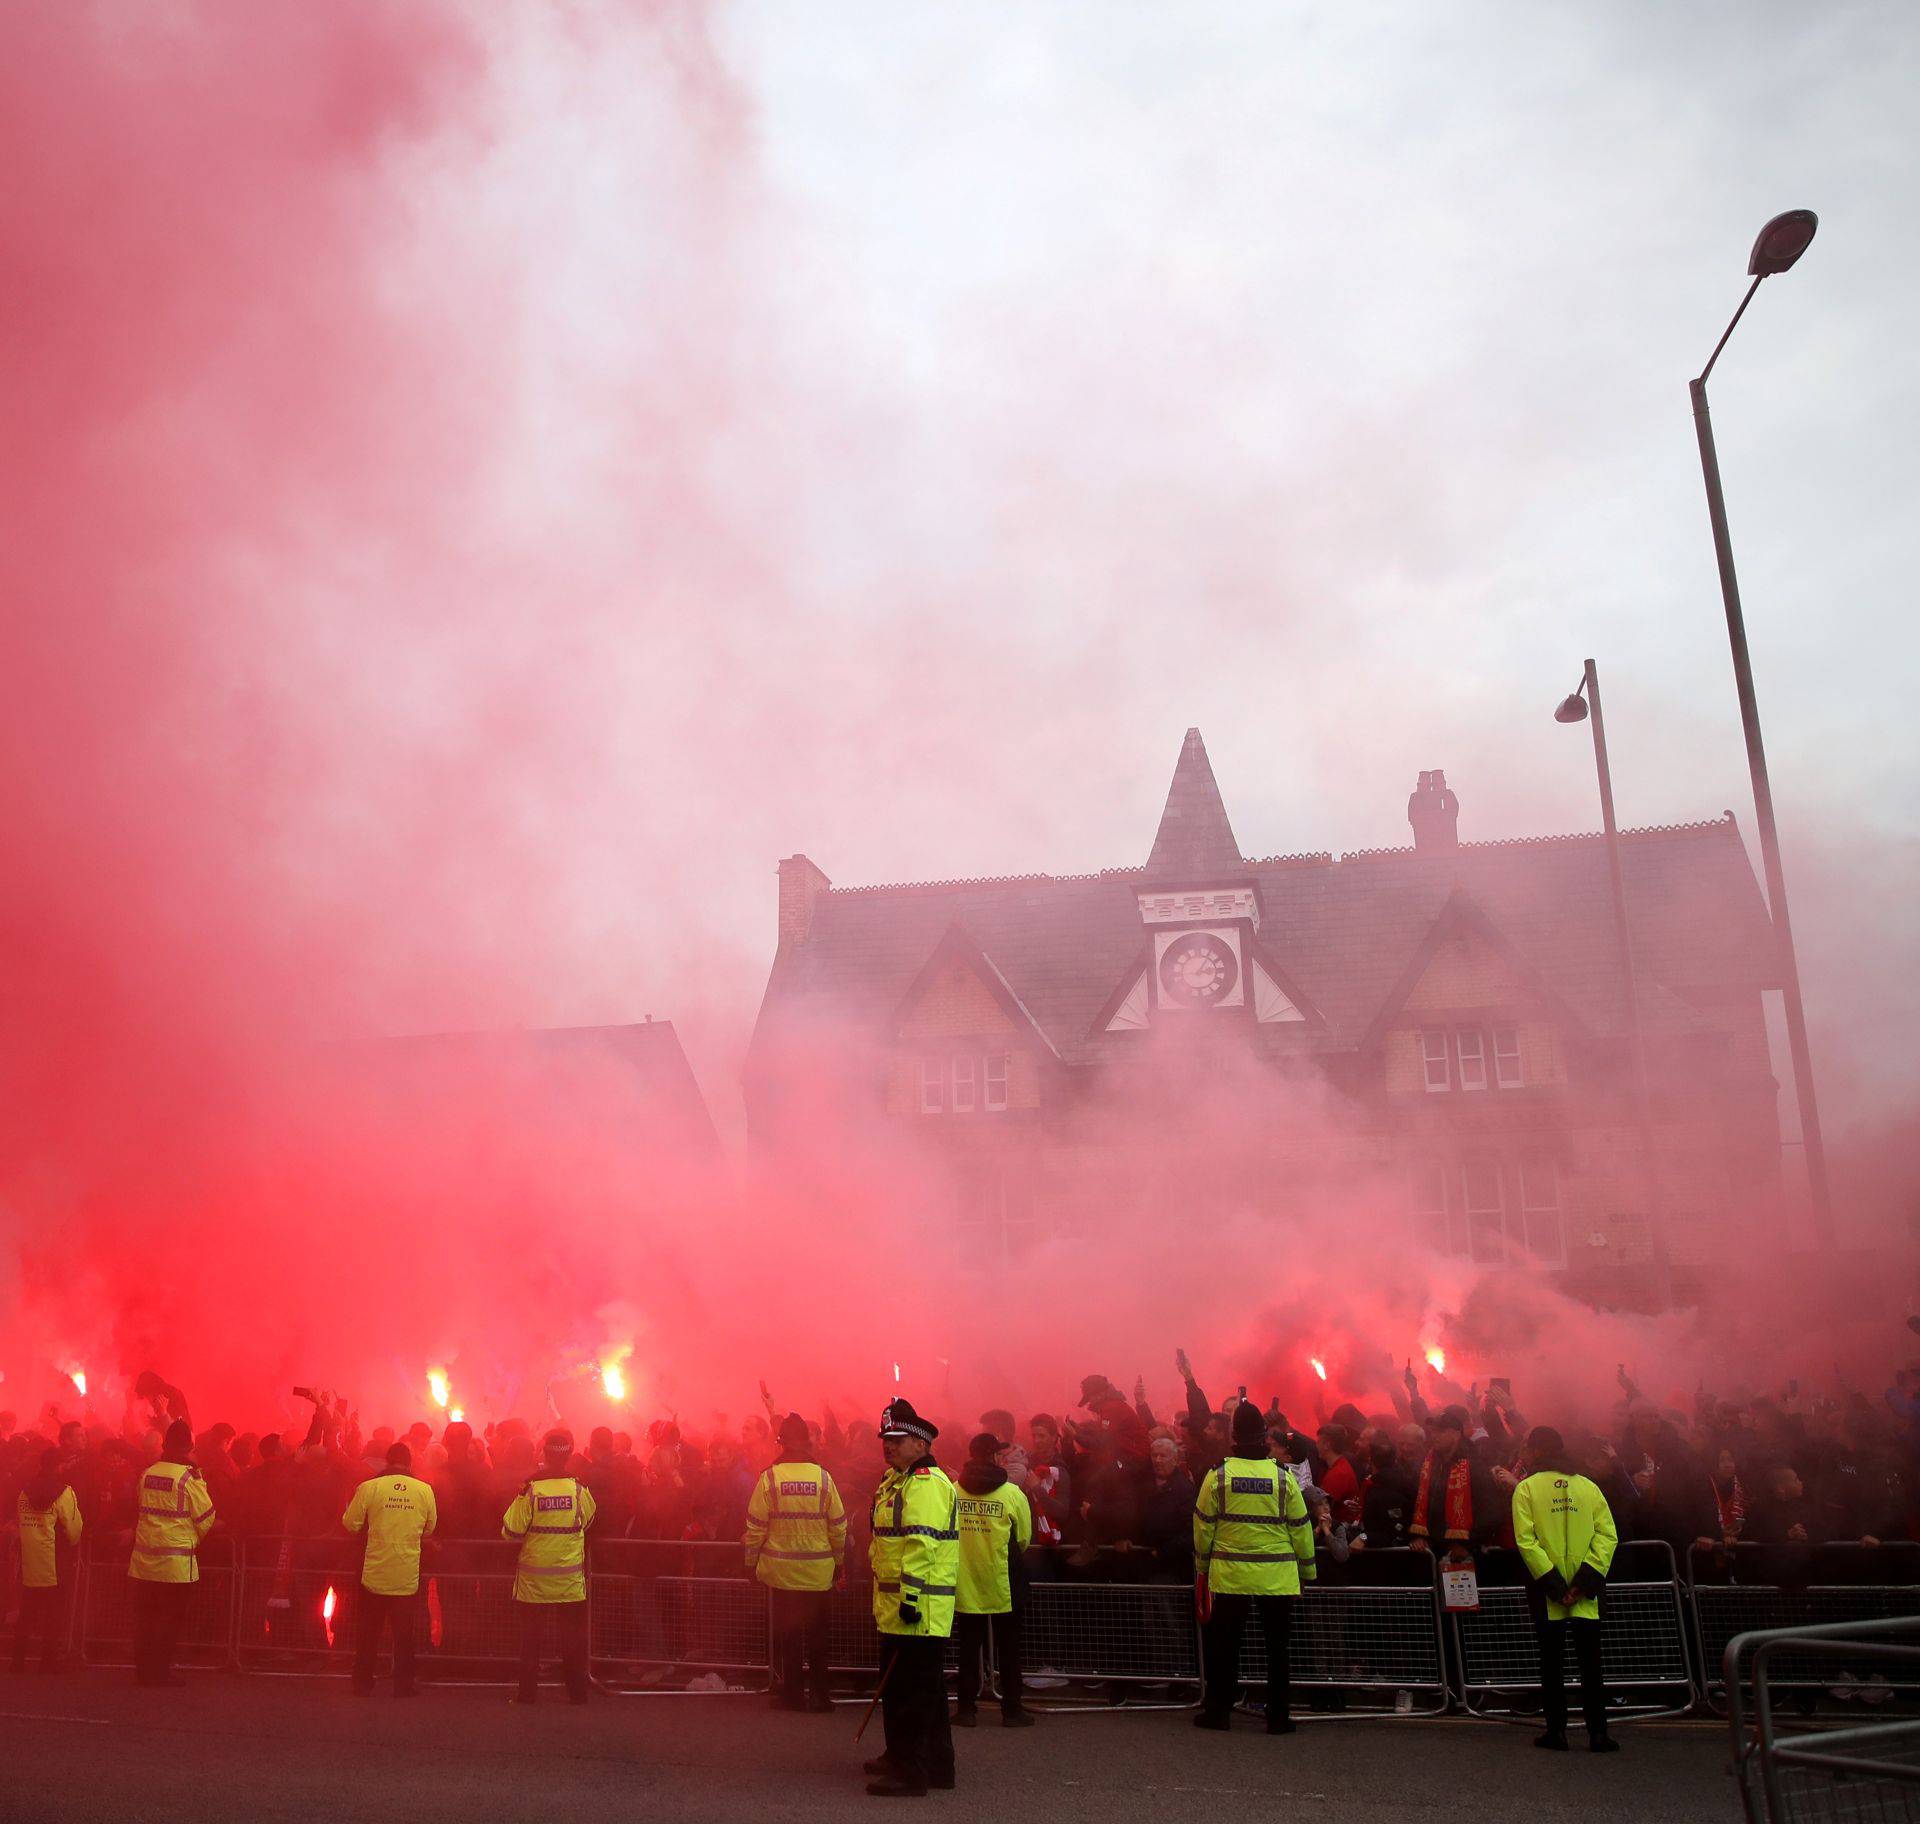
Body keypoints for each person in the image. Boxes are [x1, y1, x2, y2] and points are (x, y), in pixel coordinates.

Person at [1191, 1399, 1316, 1734]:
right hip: (1277, 1579)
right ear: (1263, 1436)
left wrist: (1202, 1567)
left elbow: (1203, 1528)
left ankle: (1218, 1712)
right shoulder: (1283, 1478)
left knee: (1225, 1647)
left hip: (1230, 1578)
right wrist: (1307, 1573)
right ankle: (1278, 1717)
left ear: (1233, 1435)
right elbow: (1301, 1529)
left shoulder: (1217, 1476)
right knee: (1277, 1649)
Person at [863, 1398, 958, 1799]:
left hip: (917, 1609)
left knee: (911, 1693)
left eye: (898, 1439)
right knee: (916, 1690)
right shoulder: (898, 1480)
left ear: (920, 1444)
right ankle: (928, 1763)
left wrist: (911, 1598)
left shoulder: (926, 1485)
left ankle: (911, 1771)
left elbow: (922, 1544)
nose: (889, 1445)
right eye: (887, 1439)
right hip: (899, 1607)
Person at [1511, 1426, 1619, 1753]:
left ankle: (1556, 1732)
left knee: (1552, 1664)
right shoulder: (1589, 1487)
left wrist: (1556, 1587)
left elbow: (1525, 1542)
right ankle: (1598, 1734)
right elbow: (1607, 1536)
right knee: (1591, 1664)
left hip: (1549, 1594)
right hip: (1585, 1594)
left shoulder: (1526, 1489)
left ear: (1537, 1451)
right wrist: (1583, 1582)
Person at [744, 1412, 847, 1713]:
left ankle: (792, 1694)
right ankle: (820, 1696)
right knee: (818, 1638)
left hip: (782, 1574)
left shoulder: (770, 1478)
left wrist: (750, 1564)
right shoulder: (824, 1478)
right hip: (818, 1573)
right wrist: (838, 1563)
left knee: (789, 1636)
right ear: (807, 1443)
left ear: (781, 1444)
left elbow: (755, 1528)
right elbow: (838, 1527)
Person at [501, 1427, 597, 1705]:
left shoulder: (531, 1489)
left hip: (534, 1582)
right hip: (569, 1582)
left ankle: (526, 1695)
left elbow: (511, 1529)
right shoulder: (579, 1489)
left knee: (530, 1642)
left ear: (543, 1453)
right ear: (569, 1456)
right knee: (573, 1641)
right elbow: (590, 1521)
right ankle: (577, 1695)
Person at [341, 1441, 438, 1697]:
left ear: (386, 1461)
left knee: (368, 1633)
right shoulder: (424, 1490)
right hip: (406, 1573)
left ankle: (362, 1684)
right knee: (405, 1635)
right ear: (409, 1463)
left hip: (373, 1572)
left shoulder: (369, 1487)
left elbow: (350, 1524)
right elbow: (430, 1528)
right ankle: (404, 1685)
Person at [953, 1431, 1035, 1728]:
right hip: (1005, 1581)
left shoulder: (953, 1491)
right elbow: (1024, 1537)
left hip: (965, 1580)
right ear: (994, 1456)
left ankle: (965, 1710)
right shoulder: (1012, 1493)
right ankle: (1012, 1710)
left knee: (967, 1647)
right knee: (1010, 1649)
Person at [128, 1419, 217, 1687]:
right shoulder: (189, 1478)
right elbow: (207, 1518)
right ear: (189, 1445)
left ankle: (143, 1672)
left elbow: (140, 1508)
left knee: (144, 1620)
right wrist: (191, 1539)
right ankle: (160, 1673)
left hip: (143, 1563)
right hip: (175, 1567)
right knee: (168, 1622)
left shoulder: (147, 1473)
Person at [12, 1447, 83, 1673]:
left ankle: (17, 1661)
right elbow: (74, 1530)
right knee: (54, 1614)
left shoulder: (24, 1491)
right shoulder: (64, 1492)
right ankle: (47, 1662)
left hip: (30, 1562)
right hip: (55, 1561)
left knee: (27, 1613)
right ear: (59, 1465)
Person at [1408, 1406, 1500, 1564]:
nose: (1434, 1435)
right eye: (1433, 1431)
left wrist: (1467, 1545)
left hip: (1465, 1556)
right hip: (1430, 1552)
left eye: (1441, 1431)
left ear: (1457, 1434)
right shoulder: (1426, 1465)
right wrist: (1417, 1535)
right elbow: (1413, 1500)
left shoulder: (1474, 1466)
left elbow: (1491, 1512)